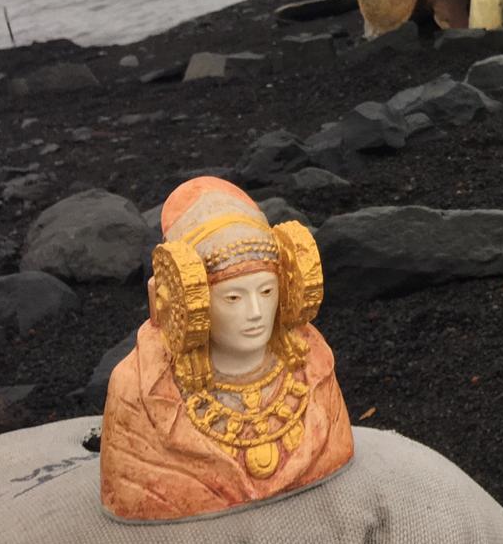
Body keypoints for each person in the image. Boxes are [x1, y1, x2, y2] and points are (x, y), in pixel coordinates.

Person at [99, 177, 353, 521]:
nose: (255, 312)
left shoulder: (315, 365)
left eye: (266, 292)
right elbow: (134, 489)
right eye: (233, 297)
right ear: (190, 302)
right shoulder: (139, 390)